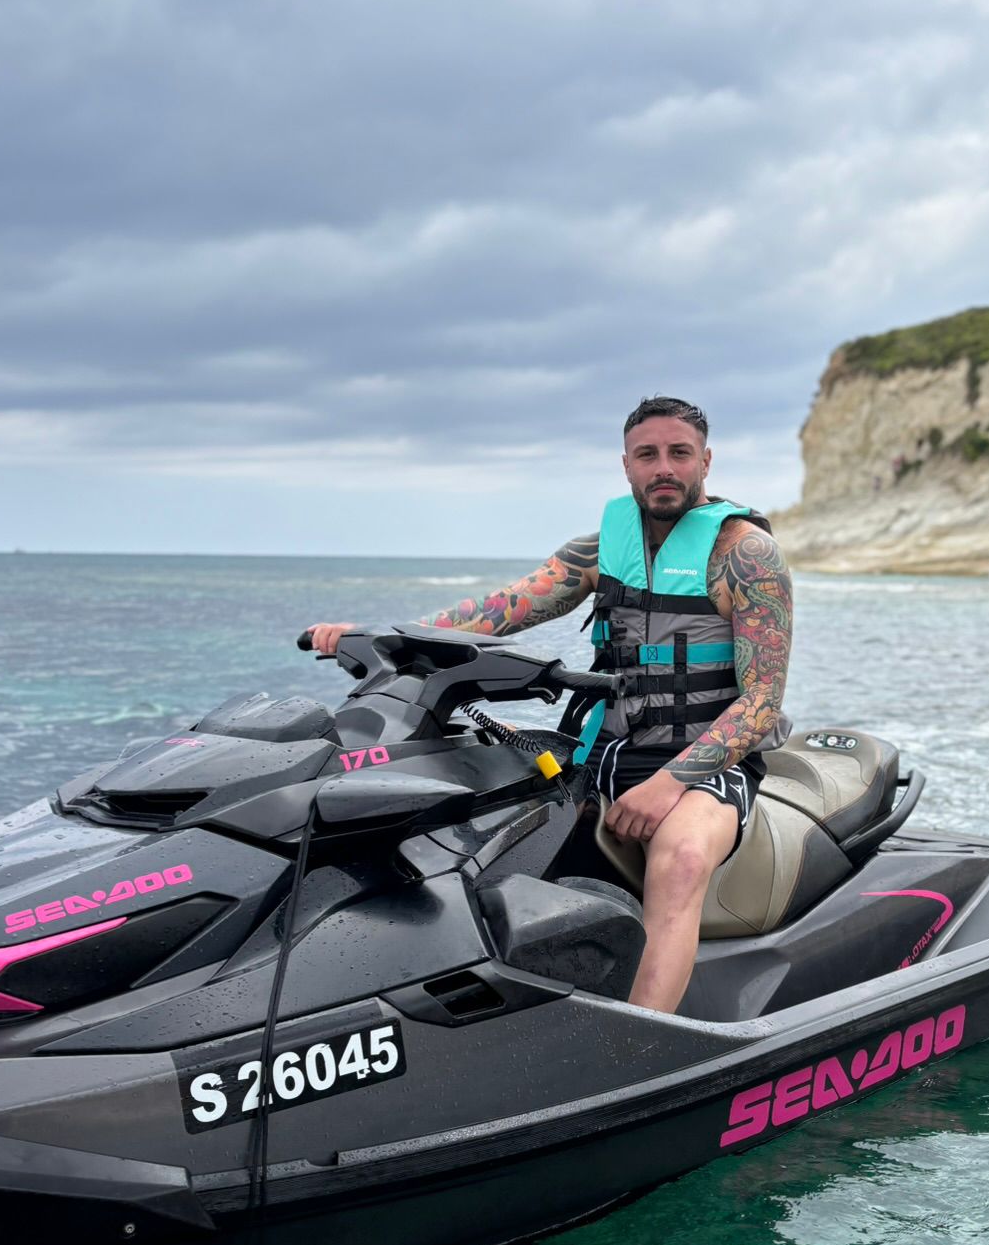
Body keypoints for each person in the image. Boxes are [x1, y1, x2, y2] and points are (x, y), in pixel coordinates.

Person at [308, 396, 793, 1012]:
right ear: (627, 465)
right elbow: (499, 611)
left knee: (682, 860)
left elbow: (762, 702)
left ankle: (635, 1046)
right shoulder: (600, 550)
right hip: (607, 754)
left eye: (680, 453)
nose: (664, 468)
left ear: (706, 461)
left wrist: (668, 785)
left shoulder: (746, 555)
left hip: (707, 765)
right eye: (648, 455)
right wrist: (384, 636)